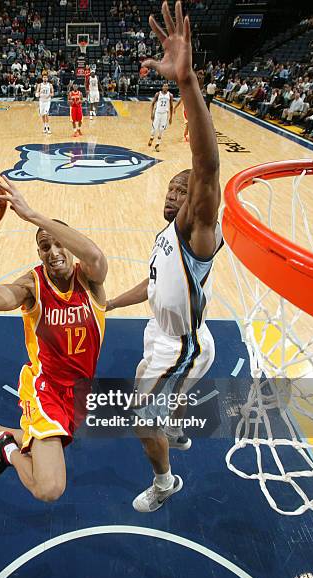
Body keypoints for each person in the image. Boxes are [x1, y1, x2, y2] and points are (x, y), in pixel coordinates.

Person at [106, 0, 222, 513]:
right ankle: (172, 426)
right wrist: (107, 303)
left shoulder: (198, 234)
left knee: (139, 417)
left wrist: (187, 82)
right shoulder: (164, 238)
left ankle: (165, 481)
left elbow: (206, 165)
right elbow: (153, 286)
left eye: (185, 190)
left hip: (184, 344)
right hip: (162, 335)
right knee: (146, 389)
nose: (176, 194)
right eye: (173, 189)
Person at [0, 178, 108, 501]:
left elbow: (96, 255)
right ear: (39, 253)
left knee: (42, 440)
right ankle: (7, 451)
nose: (53, 252)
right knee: (50, 488)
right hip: (44, 388)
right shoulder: (33, 286)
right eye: (45, 247)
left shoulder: (89, 280)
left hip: (77, 393)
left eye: (58, 243)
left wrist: (32, 215)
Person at [148, 82, 173, 151]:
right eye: (164, 86)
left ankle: (157, 144)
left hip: (164, 114)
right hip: (157, 113)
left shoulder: (170, 95)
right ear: (162, 87)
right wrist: (152, 114)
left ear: (168, 87)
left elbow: (171, 106)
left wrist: (171, 117)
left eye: (166, 86)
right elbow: (152, 104)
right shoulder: (158, 94)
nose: (165, 87)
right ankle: (152, 137)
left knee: (161, 130)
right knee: (154, 128)